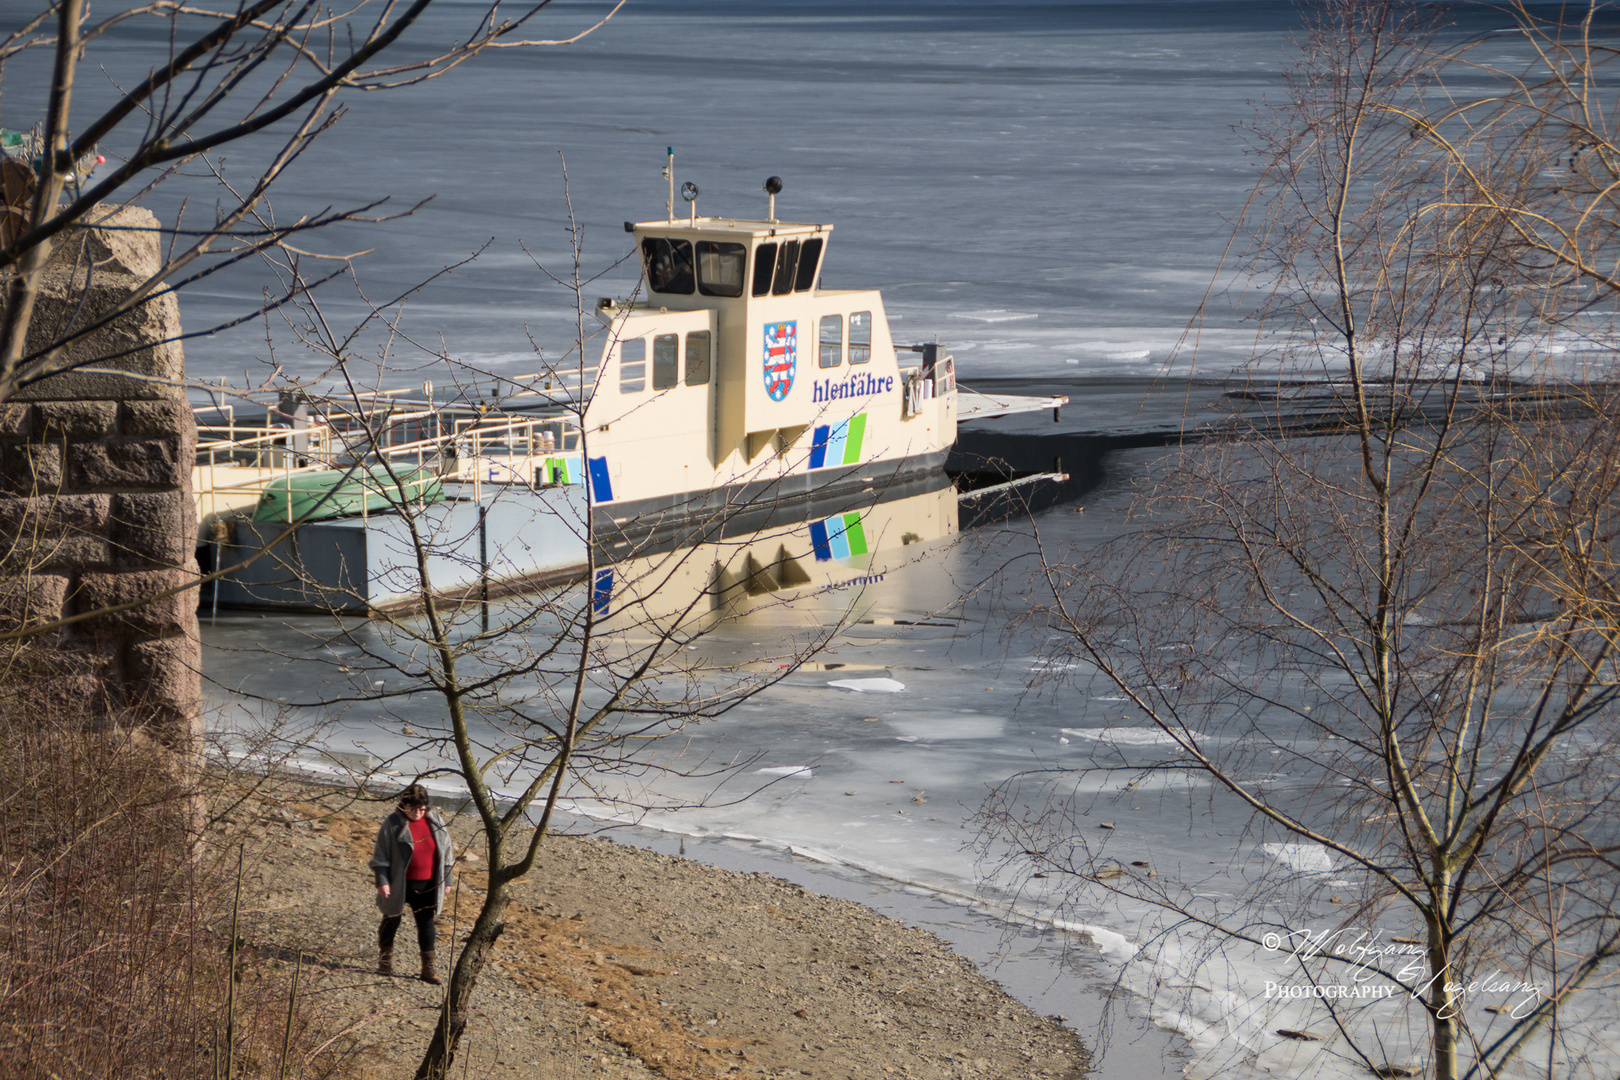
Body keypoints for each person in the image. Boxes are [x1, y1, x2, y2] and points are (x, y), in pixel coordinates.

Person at [369, 783, 453, 984]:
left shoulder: (435, 820)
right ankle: (385, 962)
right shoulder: (393, 823)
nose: (417, 813)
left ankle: (428, 970)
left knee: (426, 924)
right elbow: (380, 855)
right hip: (398, 884)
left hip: (427, 885)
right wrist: (382, 880)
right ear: (403, 805)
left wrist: (447, 879)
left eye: (422, 808)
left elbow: (448, 852)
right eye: (413, 808)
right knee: (392, 920)